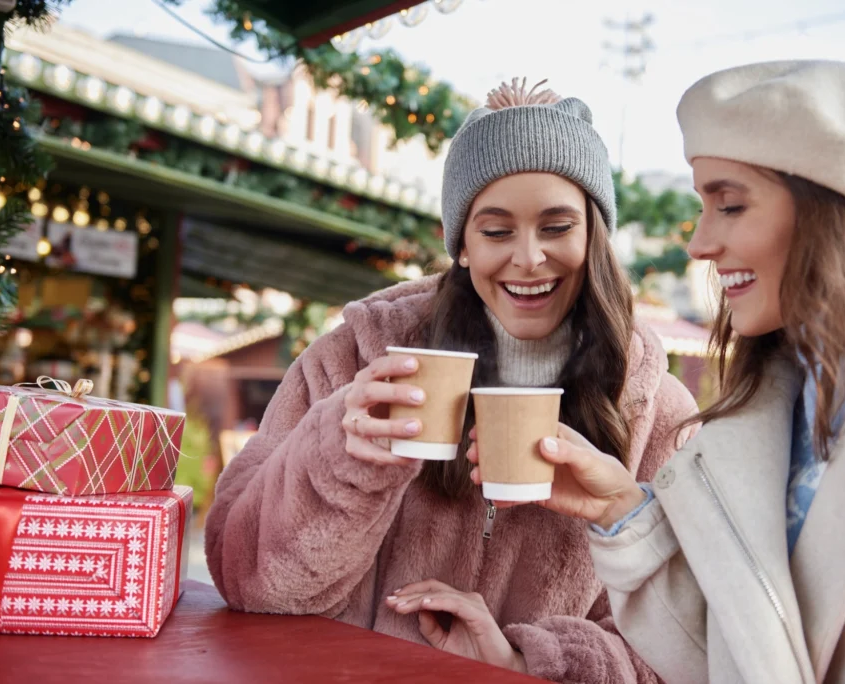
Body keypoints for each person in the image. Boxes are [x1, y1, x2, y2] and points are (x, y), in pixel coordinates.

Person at [468, 60, 845, 683]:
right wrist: (624, 514)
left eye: (730, 206)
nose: (700, 243)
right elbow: (740, 655)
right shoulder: (766, 410)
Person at [205, 78, 697, 683]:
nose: (528, 258)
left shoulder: (655, 409)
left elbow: (682, 651)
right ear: (461, 244)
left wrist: (527, 661)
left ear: (593, 236)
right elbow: (245, 580)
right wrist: (340, 456)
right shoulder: (353, 360)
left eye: (556, 227)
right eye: (496, 231)